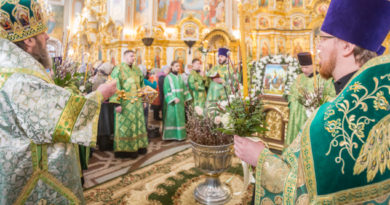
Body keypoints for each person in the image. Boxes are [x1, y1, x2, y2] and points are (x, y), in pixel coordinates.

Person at [234, 0, 390, 204]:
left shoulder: (334, 121)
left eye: (322, 39)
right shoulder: (379, 99)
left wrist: (261, 159)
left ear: (346, 46)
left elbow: (306, 196)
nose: (318, 48)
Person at [0, 1, 117, 204]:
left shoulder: (11, 68)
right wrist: (100, 94)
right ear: (28, 40)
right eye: (43, 32)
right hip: (33, 171)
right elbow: (61, 118)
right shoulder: (21, 77)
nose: (47, 36)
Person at [285, 52, 335, 146]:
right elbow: (291, 94)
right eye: (302, 67)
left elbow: (332, 96)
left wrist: (317, 101)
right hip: (297, 120)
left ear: (314, 65)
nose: (303, 70)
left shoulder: (325, 78)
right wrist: (296, 101)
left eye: (306, 67)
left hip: (315, 118)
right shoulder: (299, 78)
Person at [110, 50, 148, 159]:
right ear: (125, 56)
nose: (133, 58)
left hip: (137, 103)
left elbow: (142, 85)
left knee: (138, 125)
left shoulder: (137, 69)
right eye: (131, 56)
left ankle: (139, 146)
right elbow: (115, 86)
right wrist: (117, 104)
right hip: (124, 103)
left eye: (134, 56)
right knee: (125, 126)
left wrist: (144, 100)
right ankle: (124, 150)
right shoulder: (118, 69)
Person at [162, 61, 192, 140]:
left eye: (179, 66)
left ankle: (180, 136)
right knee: (172, 118)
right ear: (172, 67)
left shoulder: (180, 77)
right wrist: (173, 98)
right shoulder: (168, 78)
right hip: (172, 103)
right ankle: (170, 136)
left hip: (181, 101)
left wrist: (185, 99)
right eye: (176, 66)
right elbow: (166, 90)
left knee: (180, 118)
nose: (178, 68)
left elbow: (184, 88)